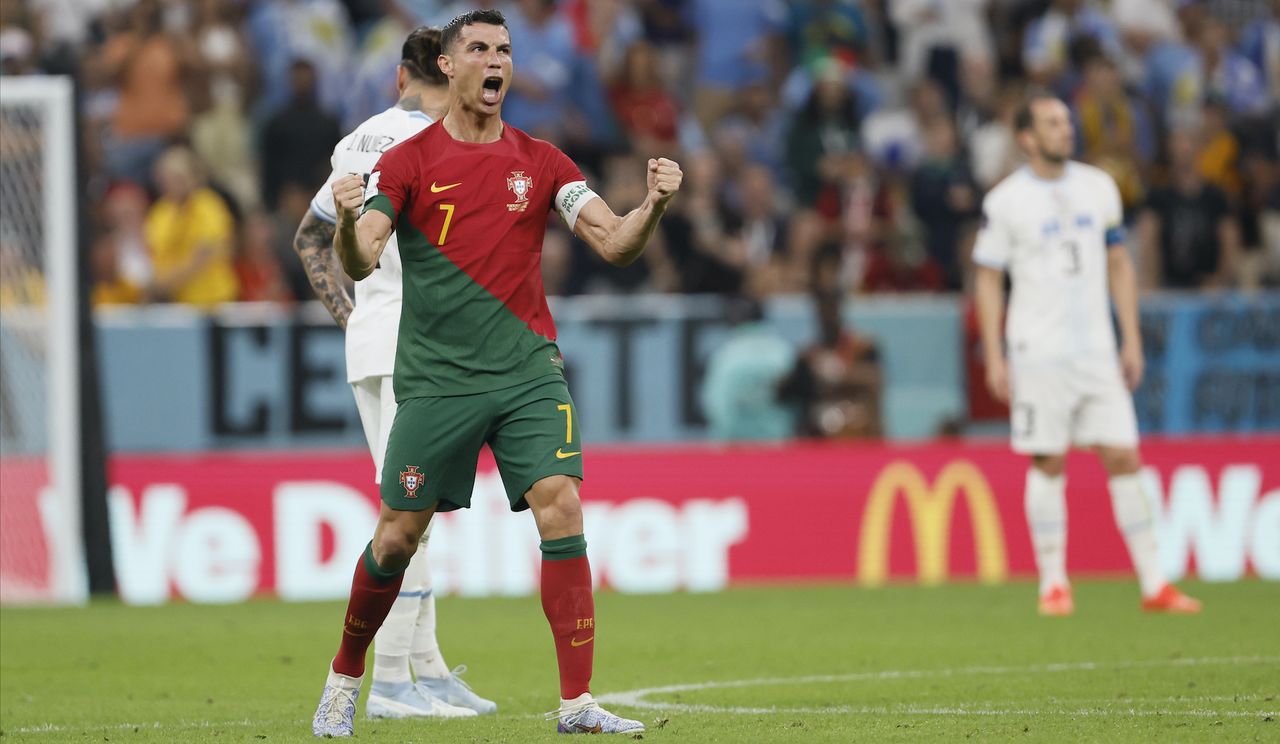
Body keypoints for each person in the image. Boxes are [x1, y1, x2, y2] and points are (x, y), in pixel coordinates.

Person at [312, 9, 682, 737]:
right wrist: (354, 222)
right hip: (438, 380)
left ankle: (576, 704)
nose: (495, 61)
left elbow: (614, 243)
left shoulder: (543, 163)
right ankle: (344, 678)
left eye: (504, 50)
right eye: (478, 48)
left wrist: (656, 205)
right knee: (396, 537)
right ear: (447, 66)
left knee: (562, 504)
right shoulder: (407, 162)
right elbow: (360, 258)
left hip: (526, 370)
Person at [293, 26, 494, 722]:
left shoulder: (359, 141)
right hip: (429, 350)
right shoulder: (451, 145)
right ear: (449, 70)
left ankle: (428, 670)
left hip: (378, 342)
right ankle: (391, 683)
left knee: (420, 512)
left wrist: (349, 316)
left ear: (397, 77)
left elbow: (309, 236)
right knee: (409, 514)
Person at [972, 93, 1201, 618]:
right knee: (1048, 459)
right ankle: (1053, 583)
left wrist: (1131, 338)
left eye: (1067, 121)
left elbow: (1119, 264)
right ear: (1027, 138)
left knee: (1124, 456)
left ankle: (1154, 584)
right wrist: (995, 354)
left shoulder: (1098, 187)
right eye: (1052, 123)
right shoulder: (1005, 202)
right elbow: (988, 280)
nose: (1065, 129)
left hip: (1096, 349)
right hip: (1038, 351)